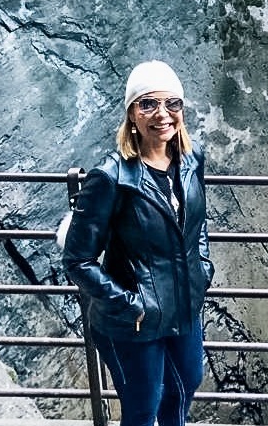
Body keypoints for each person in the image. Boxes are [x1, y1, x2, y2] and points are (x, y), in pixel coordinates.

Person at [62, 60, 214, 426]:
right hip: (133, 320)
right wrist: (132, 305)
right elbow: (77, 259)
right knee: (144, 408)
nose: (162, 114)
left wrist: (202, 270)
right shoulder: (111, 177)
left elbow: (197, 227)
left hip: (183, 305)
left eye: (171, 103)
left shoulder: (192, 161)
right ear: (131, 114)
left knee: (185, 386)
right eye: (148, 104)